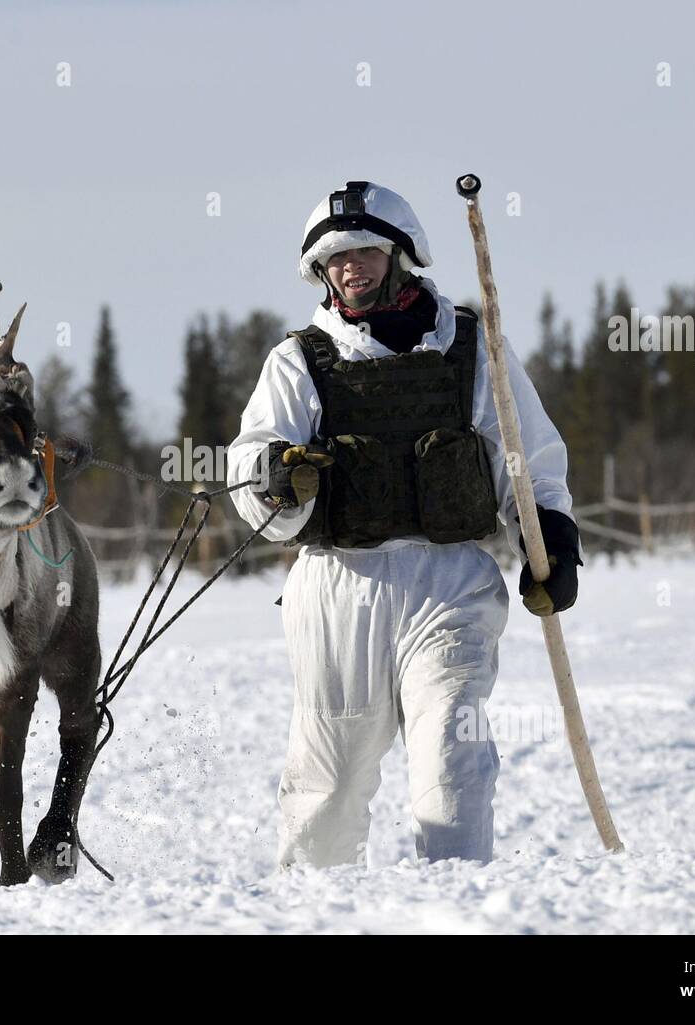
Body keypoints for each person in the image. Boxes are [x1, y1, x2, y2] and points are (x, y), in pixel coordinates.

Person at [227, 181, 582, 869]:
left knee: (453, 762)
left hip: (449, 583)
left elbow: (527, 454)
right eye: (334, 260)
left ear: (400, 255)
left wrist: (551, 534)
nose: (350, 268)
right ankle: (310, 918)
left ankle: (455, 908)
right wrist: (277, 476)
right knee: (327, 791)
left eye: (362, 251)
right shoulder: (300, 359)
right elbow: (249, 467)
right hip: (338, 589)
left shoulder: (474, 348)